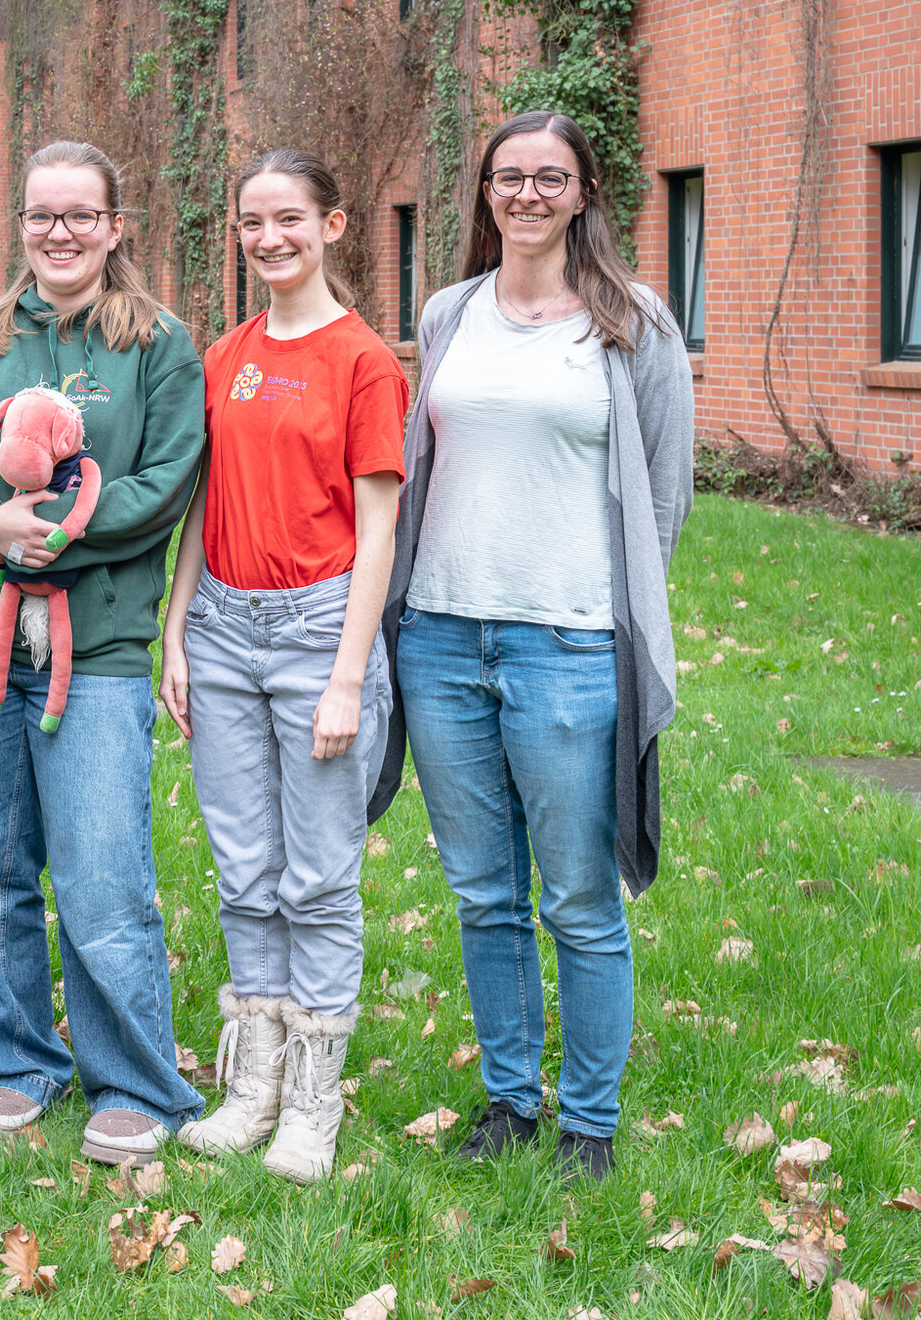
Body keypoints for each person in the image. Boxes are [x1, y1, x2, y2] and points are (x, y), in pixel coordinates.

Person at [376, 111, 694, 1181]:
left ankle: (588, 1125)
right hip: (439, 637)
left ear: (581, 190)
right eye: (506, 177)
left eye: (546, 177)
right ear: (484, 193)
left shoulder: (629, 321)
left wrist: (608, 613)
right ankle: (510, 1100)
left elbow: (661, 492)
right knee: (481, 893)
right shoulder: (447, 310)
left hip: (565, 643)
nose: (524, 194)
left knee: (575, 896)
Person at [0, 140, 206, 1167]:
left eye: (81, 215)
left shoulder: (157, 343)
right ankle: (12, 1058)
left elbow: (169, 476)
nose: (59, 232)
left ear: (114, 226)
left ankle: (132, 1080)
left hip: (102, 643)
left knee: (100, 870)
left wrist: (68, 527)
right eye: (42, 214)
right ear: (22, 223)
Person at [162, 152, 407, 1181]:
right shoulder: (223, 357)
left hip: (317, 633)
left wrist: (348, 673)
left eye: (289, 220)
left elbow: (378, 527)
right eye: (251, 222)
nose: (268, 238)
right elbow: (198, 503)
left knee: (315, 879)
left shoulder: (362, 362)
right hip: (219, 627)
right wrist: (173, 632)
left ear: (333, 225)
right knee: (244, 874)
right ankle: (249, 1085)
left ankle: (312, 1102)